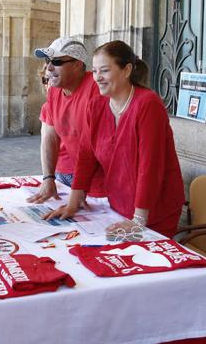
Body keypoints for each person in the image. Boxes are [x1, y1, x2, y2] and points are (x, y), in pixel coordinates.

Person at [44, 40, 185, 238]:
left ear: (126, 70)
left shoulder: (147, 103)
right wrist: (74, 201)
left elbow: (150, 165)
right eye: (94, 71)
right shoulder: (97, 105)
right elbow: (86, 153)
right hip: (119, 205)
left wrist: (139, 219)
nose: (97, 78)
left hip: (154, 210)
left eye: (104, 71)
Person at [27, 38, 105, 204]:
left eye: (56, 61)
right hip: (73, 179)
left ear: (77, 65)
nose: (48, 67)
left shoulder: (96, 89)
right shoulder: (55, 91)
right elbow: (49, 136)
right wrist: (48, 178)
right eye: (48, 61)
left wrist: (79, 191)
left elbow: (92, 146)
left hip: (102, 184)